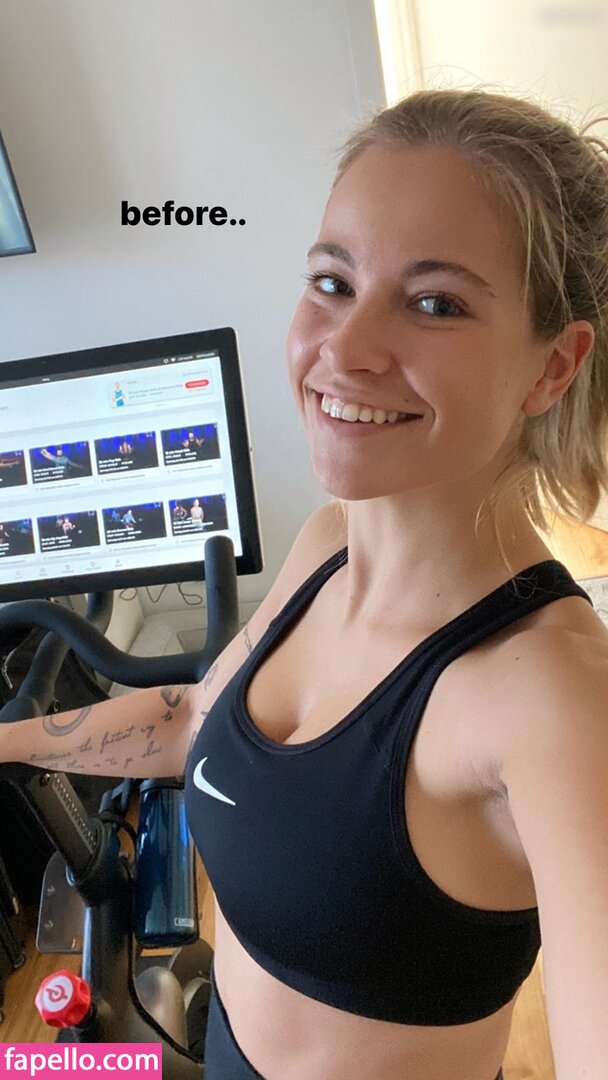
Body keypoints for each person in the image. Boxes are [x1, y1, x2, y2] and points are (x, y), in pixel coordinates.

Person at [2, 86, 608, 1079]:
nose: (344, 348)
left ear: (553, 367)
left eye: (435, 303)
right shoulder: (331, 542)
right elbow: (195, 722)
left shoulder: (552, 697)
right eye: (333, 281)